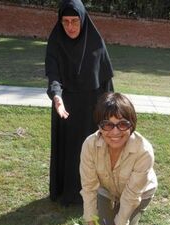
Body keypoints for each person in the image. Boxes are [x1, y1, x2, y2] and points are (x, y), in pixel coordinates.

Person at [80, 92, 158, 225]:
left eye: (122, 124)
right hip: (107, 189)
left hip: (140, 192)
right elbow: (89, 189)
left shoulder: (143, 151)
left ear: (132, 124)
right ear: (99, 126)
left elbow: (130, 199)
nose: (115, 132)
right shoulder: (90, 145)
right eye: (108, 124)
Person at [45, 0, 114, 206]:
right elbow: (53, 76)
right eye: (65, 21)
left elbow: (106, 82)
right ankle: (67, 193)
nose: (70, 27)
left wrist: (109, 112)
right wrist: (56, 97)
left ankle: (90, 194)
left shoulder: (95, 42)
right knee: (69, 152)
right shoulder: (56, 41)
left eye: (75, 21)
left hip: (91, 109)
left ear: (83, 20)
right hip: (65, 108)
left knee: (90, 152)